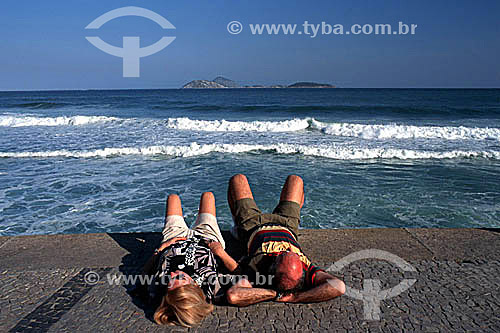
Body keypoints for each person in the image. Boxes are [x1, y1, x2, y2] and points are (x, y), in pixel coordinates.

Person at [225, 174, 345, 306]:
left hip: (252, 225)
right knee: (295, 180)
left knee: (237, 179)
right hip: (287, 225)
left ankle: (237, 225)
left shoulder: (258, 271)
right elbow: (339, 286)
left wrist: (273, 293)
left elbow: (234, 296)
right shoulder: (307, 269)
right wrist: (297, 298)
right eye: (291, 252)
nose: (286, 247)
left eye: (282, 254)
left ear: (273, 266)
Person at [141, 192, 239, 327]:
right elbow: (239, 272)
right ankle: (237, 229)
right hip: (207, 238)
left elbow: (144, 274)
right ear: (194, 285)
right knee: (208, 196)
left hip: (174, 239)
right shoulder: (210, 286)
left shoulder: (158, 289)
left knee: (173, 198)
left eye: (170, 282)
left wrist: (161, 249)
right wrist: (220, 253)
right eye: (179, 278)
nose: (172, 274)